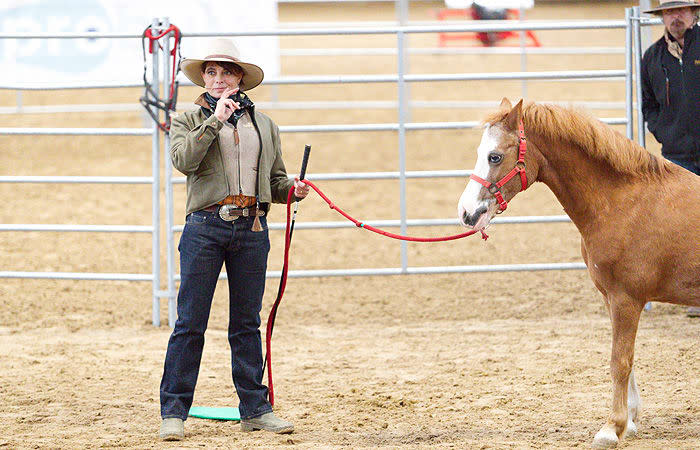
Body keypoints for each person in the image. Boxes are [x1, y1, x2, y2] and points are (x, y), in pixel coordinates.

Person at [158, 38, 309, 441]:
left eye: (226, 72)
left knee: (246, 323)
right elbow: (182, 161)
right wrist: (215, 121)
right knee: (190, 322)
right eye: (211, 72)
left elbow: (274, 180)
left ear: (240, 78)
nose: (219, 79)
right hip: (205, 228)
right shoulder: (187, 119)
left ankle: (255, 409)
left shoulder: (266, 125)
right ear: (204, 79)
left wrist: (290, 189)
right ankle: (173, 411)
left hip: (252, 228)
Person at [641, 0, 700, 318]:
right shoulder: (652, 58)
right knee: (685, 226)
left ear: (694, 13)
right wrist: (663, 131)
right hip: (677, 153)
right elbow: (648, 103)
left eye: (681, 10)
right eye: (668, 11)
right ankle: (694, 292)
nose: (675, 17)